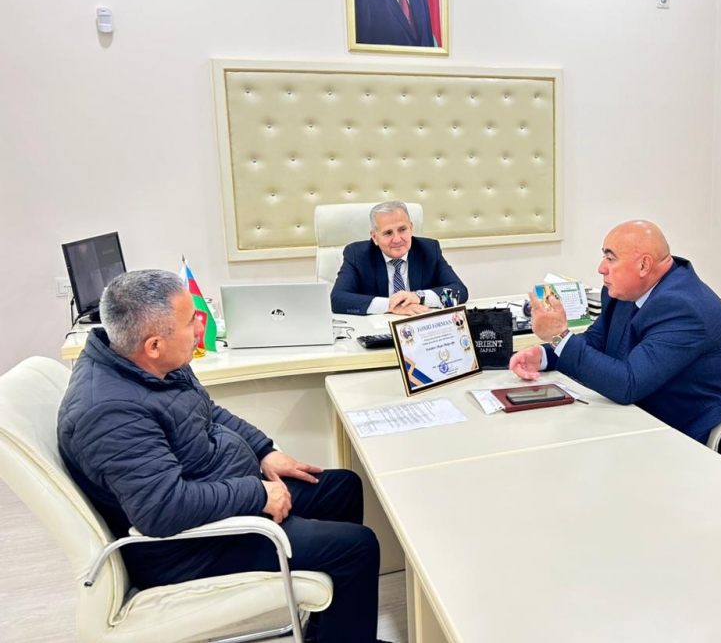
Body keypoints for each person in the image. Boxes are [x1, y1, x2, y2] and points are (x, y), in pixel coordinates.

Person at [57, 270, 386, 643]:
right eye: (191, 321)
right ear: (154, 345)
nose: (201, 326)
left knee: (343, 487)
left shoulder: (147, 364)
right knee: (357, 546)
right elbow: (162, 510)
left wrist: (264, 451)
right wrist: (258, 495)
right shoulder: (109, 412)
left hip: (220, 493)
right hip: (190, 545)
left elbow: (208, 412)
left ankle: (334, 634)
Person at [509, 220, 721, 468]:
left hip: (704, 441)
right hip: (647, 419)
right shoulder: (626, 290)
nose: (601, 268)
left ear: (644, 265)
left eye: (610, 258)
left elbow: (628, 384)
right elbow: (597, 341)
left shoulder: (683, 307)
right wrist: (545, 355)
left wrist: (558, 336)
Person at [331, 201, 468, 315]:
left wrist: (419, 296)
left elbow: (459, 291)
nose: (397, 239)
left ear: (411, 228)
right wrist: (390, 305)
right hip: (377, 329)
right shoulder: (357, 255)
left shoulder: (429, 250)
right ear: (375, 237)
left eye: (402, 229)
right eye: (388, 233)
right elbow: (338, 299)